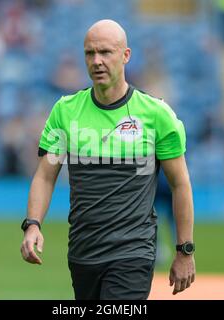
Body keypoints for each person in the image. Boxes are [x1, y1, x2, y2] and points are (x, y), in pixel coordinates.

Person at [20, 19, 195, 300]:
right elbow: (44, 176)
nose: (97, 61)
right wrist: (32, 224)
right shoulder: (65, 112)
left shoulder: (156, 114)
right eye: (90, 53)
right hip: (83, 253)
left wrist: (184, 250)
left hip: (133, 253)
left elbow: (180, 184)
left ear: (125, 55)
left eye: (105, 52)